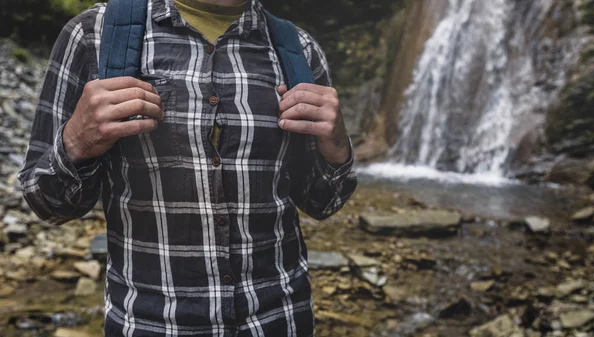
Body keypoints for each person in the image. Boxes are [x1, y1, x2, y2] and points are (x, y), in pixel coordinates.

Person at [18, 0, 357, 336]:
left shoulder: (299, 49)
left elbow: (321, 203)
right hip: (152, 325)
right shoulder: (93, 35)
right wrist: (77, 143)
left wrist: (338, 145)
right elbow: (47, 203)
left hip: (280, 320)